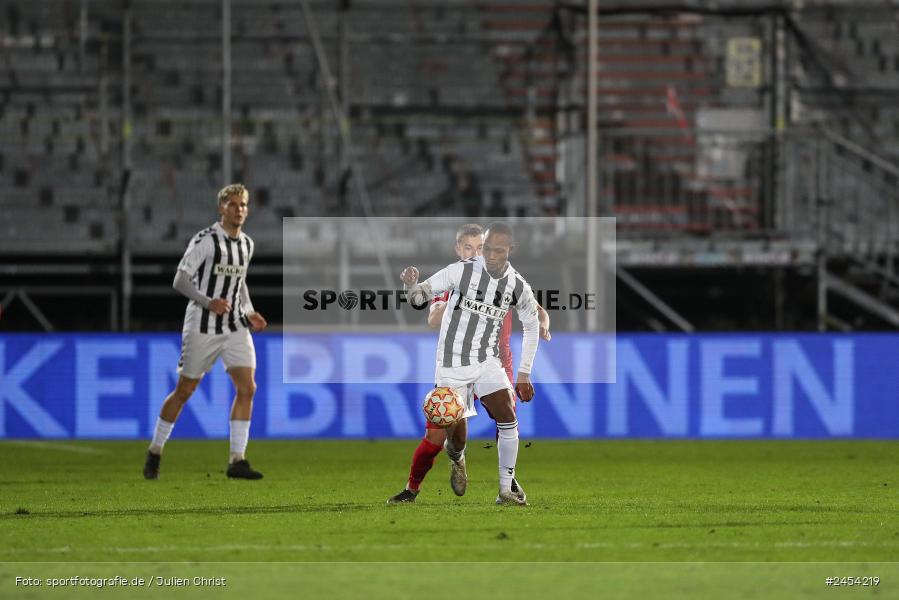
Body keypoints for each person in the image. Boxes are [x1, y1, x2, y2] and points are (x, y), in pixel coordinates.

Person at [402, 222, 541, 506]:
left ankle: (506, 490)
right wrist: (410, 285)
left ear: (510, 250)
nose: (490, 255)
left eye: (497, 250)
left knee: (507, 414)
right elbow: (419, 297)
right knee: (455, 439)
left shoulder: (517, 284)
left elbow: (532, 324)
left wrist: (524, 372)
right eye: (486, 249)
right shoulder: (461, 271)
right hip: (451, 366)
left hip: (486, 360)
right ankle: (457, 457)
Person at [142, 183, 267, 481]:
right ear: (221, 208)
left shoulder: (247, 244)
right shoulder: (206, 240)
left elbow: (239, 283)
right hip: (202, 324)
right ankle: (155, 450)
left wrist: (249, 311)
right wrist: (207, 301)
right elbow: (180, 280)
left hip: (235, 325)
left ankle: (237, 460)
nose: (239, 210)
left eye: (243, 205)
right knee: (185, 391)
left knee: (248, 387)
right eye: (233, 204)